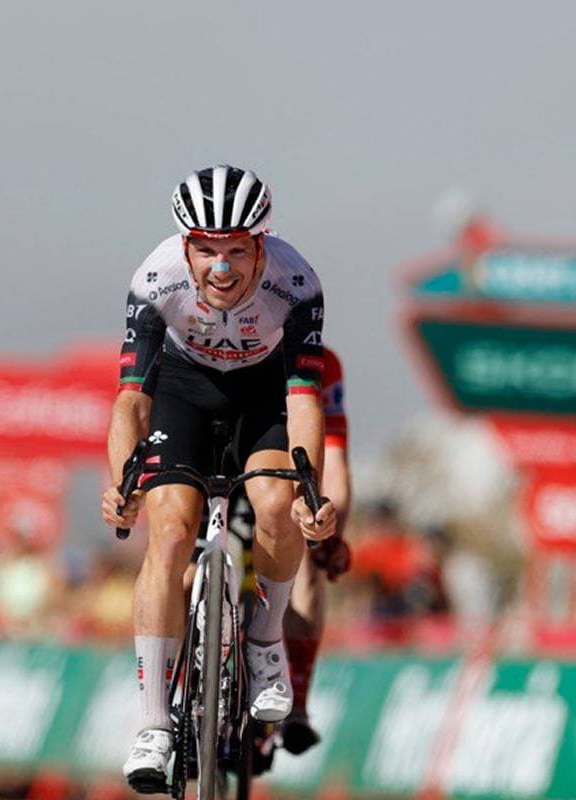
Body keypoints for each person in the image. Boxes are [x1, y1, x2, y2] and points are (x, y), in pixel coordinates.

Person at [101, 165, 337, 793]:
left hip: (263, 396)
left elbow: (304, 400)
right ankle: (154, 725)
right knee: (170, 530)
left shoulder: (297, 283)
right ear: (186, 248)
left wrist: (310, 490)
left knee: (277, 503)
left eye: (236, 251)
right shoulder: (155, 280)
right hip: (182, 392)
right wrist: (122, 486)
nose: (222, 269)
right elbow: (131, 400)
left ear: (261, 244)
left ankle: (264, 640)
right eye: (207, 251)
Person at [281, 346, 352, 755]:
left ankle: (298, 702)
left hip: (284, 478)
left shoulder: (325, 364)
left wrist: (333, 532)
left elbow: (335, 454)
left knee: (305, 562)